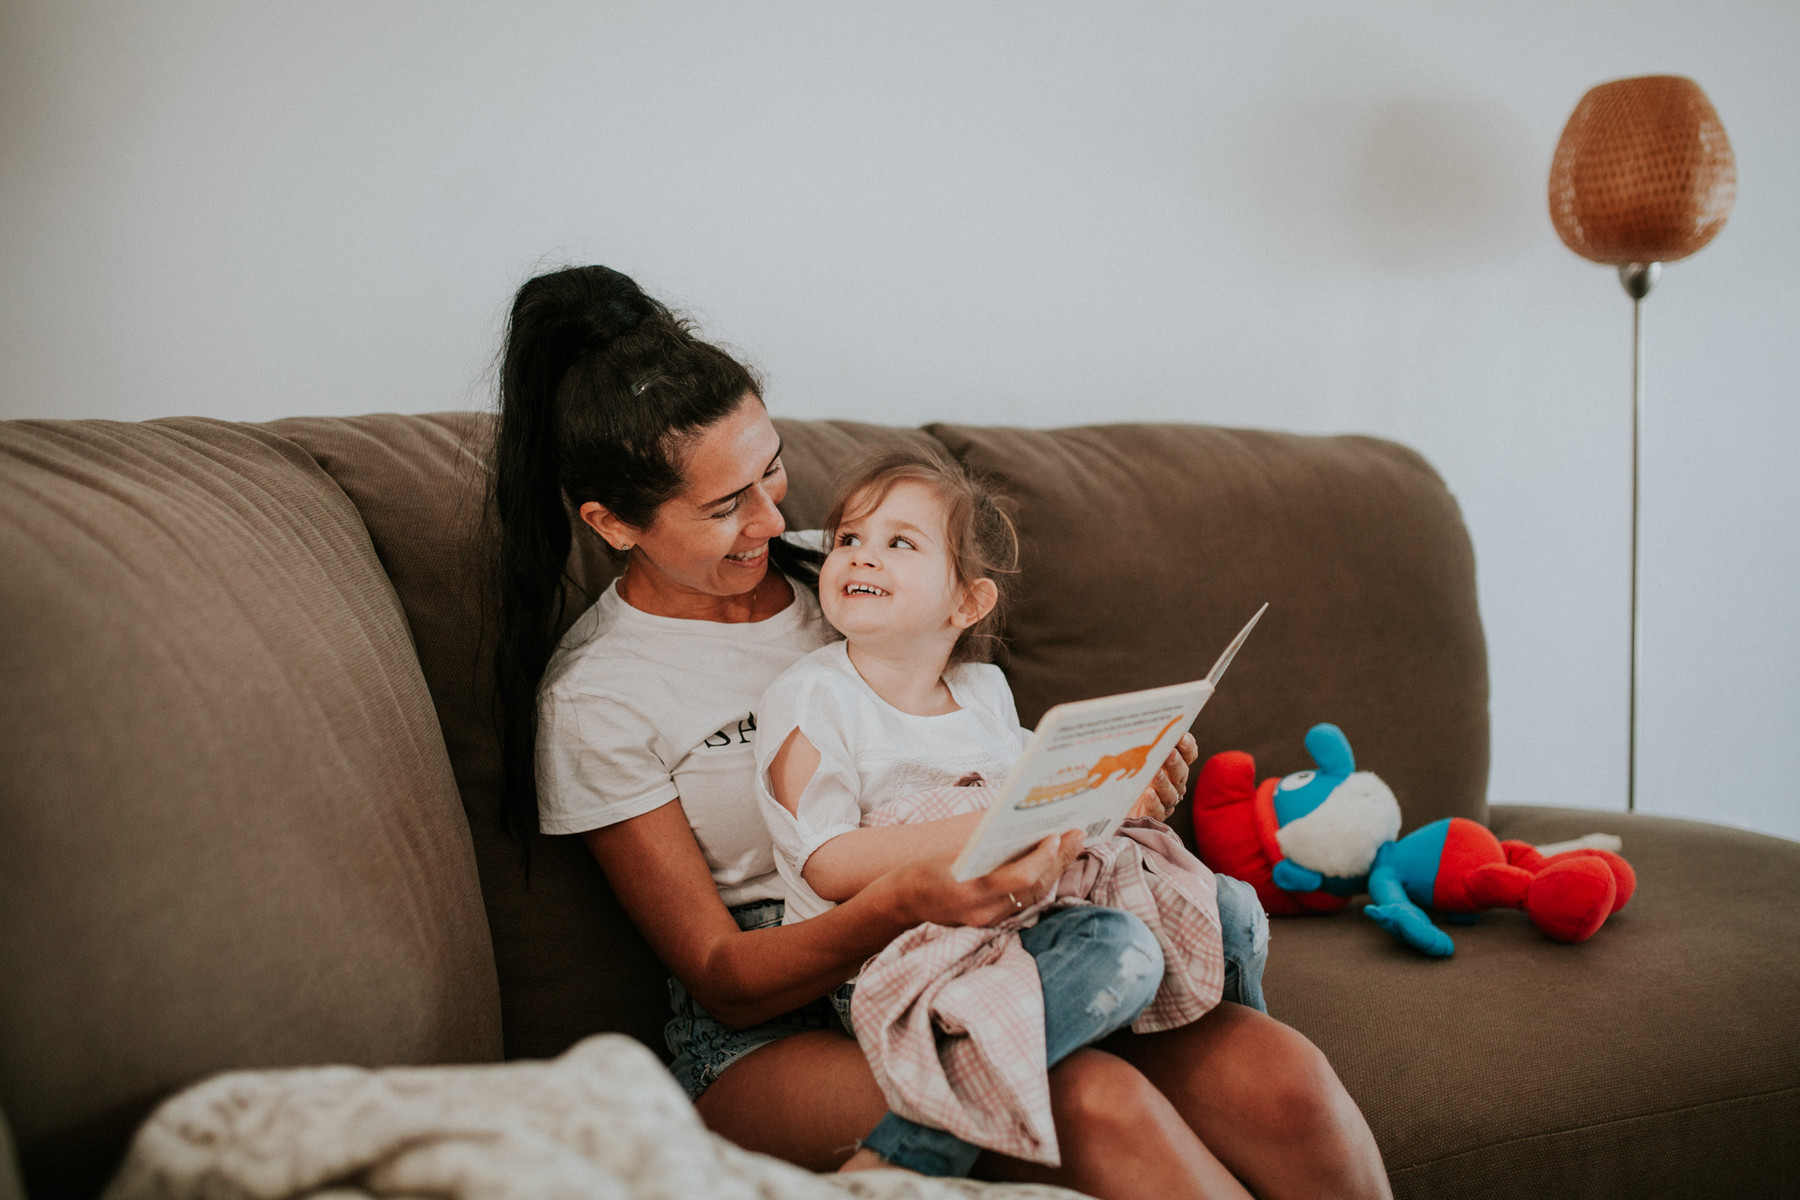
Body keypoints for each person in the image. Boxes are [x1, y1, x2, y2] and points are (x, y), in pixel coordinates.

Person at [493, 263, 1393, 1200]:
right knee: (1085, 1096)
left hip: (982, 945)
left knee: (1278, 1073)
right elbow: (725, 978)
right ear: (613, 524)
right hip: (773, 1027)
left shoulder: (849, 575)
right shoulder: (598, 698)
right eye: (727, 507)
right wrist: (902, 902)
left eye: (772, 471)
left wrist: (1109, 791)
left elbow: (983, 763)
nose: (777, 519)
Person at [756, 445, 1233, 1175]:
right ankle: (902, 1157)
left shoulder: (984, 692)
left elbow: (1041, 804)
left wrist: (1121, 788)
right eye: (849, 539)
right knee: (1121, 949)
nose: (862, 557)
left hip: (1008, 920)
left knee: (1230, 907)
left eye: (899, 543)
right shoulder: (813, 696)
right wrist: (1011, 823)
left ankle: (1210, 1072)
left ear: (966, 603)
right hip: (887, 956)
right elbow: (825, 864)